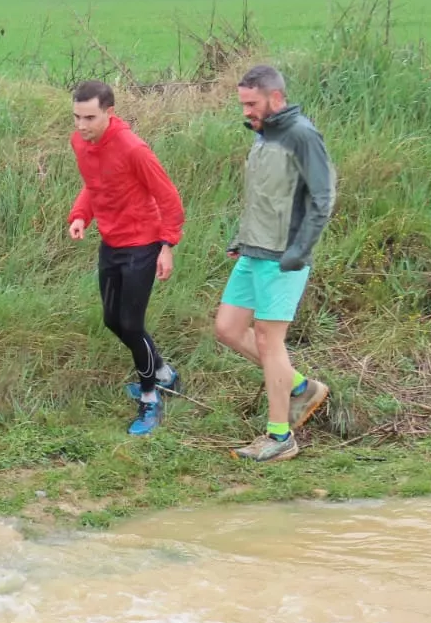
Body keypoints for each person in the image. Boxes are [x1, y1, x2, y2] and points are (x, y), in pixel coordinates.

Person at [214, 64, 334, 463]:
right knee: (228, 329)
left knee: (269, 339)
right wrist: (241, 238)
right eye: (243, 104)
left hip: (283, 258)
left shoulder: (302, 135)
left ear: (276, 98)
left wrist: (299, 251)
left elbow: (323, 198)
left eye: (252, 104)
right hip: (254, 251)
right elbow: (264, 196)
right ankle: (300, 387)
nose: (246, 111)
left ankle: (280, 436)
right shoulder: (263, 134)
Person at [68, 80, 185, 436]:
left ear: (109, 112)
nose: (82, 126)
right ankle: (163, 373)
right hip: (111, 243)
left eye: (90, 118)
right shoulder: (80, 143)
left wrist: (167, 245)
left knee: (131, 324)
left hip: (142, 243)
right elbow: (94, 184)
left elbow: (169, 198)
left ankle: (150, 398)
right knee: (112, 320)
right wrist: (80, 215)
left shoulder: (134, 149)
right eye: (77, 117)